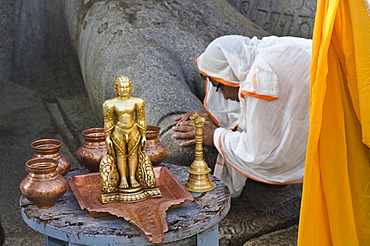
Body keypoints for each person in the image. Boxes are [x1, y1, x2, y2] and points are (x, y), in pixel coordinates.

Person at [172, 35, 312, 196]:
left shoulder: (260, 80)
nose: (224, 97)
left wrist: (216, 136)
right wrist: (218, 119)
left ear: (230, 75)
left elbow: (259, 155)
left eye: (220, 87)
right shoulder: (266, 48)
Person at [103, 75, 148, 189]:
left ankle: (132, 177)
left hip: (133, 129)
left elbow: (141, 118)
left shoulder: (137, 101)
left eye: (127, 87)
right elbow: (108, 121)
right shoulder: (110, 104)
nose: (124, 90)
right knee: (121, 155)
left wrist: (143, 135)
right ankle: (123, 178)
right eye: (121, 87)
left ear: (131, 87)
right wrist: (107, 137)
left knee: (133, 154)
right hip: (118, 130)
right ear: (116, 89)